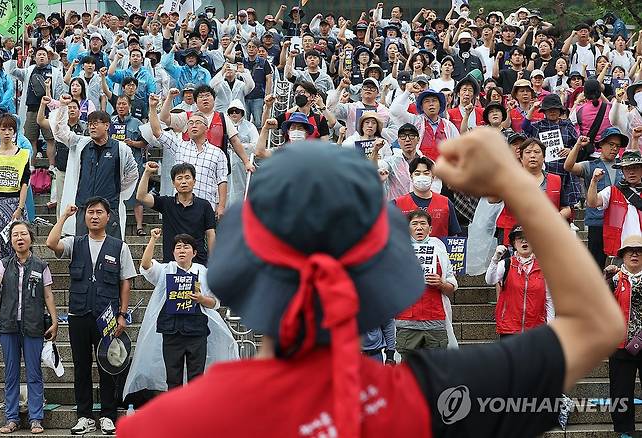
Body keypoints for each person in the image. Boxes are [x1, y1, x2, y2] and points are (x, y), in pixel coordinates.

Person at [117, 129, 625, 437]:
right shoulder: (432, 399)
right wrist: (516, 182)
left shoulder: (162, 428)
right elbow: (597, 324)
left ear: (248, 277)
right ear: (377, 279)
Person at [45, 198, 136, 436]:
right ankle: (84, 416)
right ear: (84, 217)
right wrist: (64, 216)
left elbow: (125, 283)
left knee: (108, 367)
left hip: (107, 316)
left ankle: (107, 416)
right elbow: (51, 243)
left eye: (99, 212)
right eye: (90, 212)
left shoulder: (119, 246)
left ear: (108, 217)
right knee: (81, 367)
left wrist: (122, 314)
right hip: (78, 313)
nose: (94, 216)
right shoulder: (75, 243)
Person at [0, 221, 57, 435]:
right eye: (15, 234)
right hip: (8, 325)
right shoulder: (4, 264)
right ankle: (12, 418)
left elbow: (48, 294)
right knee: (11, 373)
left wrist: (54, 320)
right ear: (11, 240)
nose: (20, 238)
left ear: (30, 238)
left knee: (34, 373)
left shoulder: (41, 265)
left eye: (23, 234)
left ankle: (36, 418)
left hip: (34, 325)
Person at [139, 229, 220, 389]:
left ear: (194, 252)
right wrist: (153, 239)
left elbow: (215, 303)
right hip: (171, 331)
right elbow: (146, 265)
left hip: (197, 331)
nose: (182, 250)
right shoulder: (165, 270)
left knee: (197, 378)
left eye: (186, 247)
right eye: (178, 247)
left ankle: (195, 412)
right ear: (173, 252)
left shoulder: (203, 273)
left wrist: (202, 299)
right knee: (173, 377)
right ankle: (174, 413)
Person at [49, 94, 139, 239]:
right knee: (83, 251)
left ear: (107, 126)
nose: (92, 126)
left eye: (96, 123)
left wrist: (117, 191)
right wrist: (63, 107)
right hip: (84, 208)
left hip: (110, 208)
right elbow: (59, 132)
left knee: (110, 253)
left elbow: (133, 173)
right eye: (90, 123)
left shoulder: (121, 148)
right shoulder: (81, 143)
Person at [149, 94, 228, 217]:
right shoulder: (179, 146)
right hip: (181, 207)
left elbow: (222, 181)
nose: (193, 125)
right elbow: (157, 131)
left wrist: (222, 206)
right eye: (190, 123)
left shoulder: (218, 153)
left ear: (206, 128)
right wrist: (153, 108)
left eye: (197, 123)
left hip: (207, 207)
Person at [397, 209, 458, 357]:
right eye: (415, 224)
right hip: (406, 322)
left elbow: (452, 287)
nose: (419, 227)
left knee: (436, 371)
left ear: (430, 229)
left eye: (423, 224)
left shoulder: (440, 251)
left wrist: (441, 284)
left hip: (435, 321)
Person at [0, 114, 31, 305]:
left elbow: (25, 183)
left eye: (10, 129)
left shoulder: (23, 154)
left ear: (14, 131)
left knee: (20, 247)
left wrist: (20, 207)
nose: (6, 132)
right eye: (3, 129)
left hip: (15, 205)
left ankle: (21, 291)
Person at [564, 127, 627, 268]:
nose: (614, 149)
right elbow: (568, 166)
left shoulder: (623, 167)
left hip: (618, 222)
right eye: (611, 144)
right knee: (596, 263)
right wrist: (578, 145)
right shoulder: (590, 166)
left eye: (617, 146)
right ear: (601, 145)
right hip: (597, 222)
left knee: (619, 263)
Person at [137, 162, 216, 266]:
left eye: (187, 177)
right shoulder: (166, 203)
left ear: (194, 181)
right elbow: (141, 197)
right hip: (172, 264)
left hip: (198, 263)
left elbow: (210, 234)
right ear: (173, 183)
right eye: (179, 178)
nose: (184, 181)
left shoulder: (204, 205)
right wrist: (147, 172)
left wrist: (214, 261)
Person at [495, 138, 571, 245]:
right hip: (515, 235)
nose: (532, 156)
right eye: (528, 152)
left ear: (544, 157)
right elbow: (493, 199)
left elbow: (566, 208)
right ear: (521, 158)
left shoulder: (556, 179)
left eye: (537, 152)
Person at [486, 226, 554, 337]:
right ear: (514, 243)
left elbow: (549, 300)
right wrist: (495, 259)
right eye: (519, 238)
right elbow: (490, 280)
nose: (524, 241)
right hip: (509, 329)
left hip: (536, 329)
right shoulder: (506, 264)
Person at [605, 236, 642, 438]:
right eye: (630, 250)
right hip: (620, 345)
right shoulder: (615, 280)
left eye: (639, 251)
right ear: (622, 256)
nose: (634, 254)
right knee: (620, 391)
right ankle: (624, 430)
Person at [5, 46, 65, 164]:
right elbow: (12, 71)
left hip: (49, 111)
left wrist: (57, 108)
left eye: (44, 54)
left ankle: (52, 166)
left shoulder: (55, 72)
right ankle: (31, 166)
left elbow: (59, 92)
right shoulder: (29, 70)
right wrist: (14, 56)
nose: (41, 56)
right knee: (30, 139)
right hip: (31, 109)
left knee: (50, 139)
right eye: (39, 54)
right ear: (35, 57)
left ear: (48, 57)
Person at [587, 150, 642, 258]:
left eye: (635, 168)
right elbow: (592, 203)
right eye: (627, 168)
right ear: (622, 170)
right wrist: (594, 181)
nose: (631, 172)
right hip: (619, 251)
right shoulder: (611, 191)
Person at [394, 156, 461, 238]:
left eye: (426, 173)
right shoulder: (397, 204)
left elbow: (454, 236)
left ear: (433, 177)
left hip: (440, 249)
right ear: (411, 177)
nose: (422, 176)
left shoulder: (446, 203)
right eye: (417, 173)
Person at [110, 95, 148, 235]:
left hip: (134, 164)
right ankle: (115, 225)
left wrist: (132, 143)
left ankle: (139, 226)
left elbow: (145, 142)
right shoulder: (111, 122)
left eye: (124, 104)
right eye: (119, 104)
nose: (121, 106)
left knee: (138, 196)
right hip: (114, 164)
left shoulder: (137, 123)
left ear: (129, 106)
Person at [391, 85, 460, 161]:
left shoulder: (448, 126)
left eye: (434, 101)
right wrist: (407, 92)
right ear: (421, 107)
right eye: (427, 101)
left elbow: (458, 149)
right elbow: (395, 111)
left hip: (443, 169)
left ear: (440, 105)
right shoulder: (415, 121)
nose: (431, 104)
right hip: (420, 169)